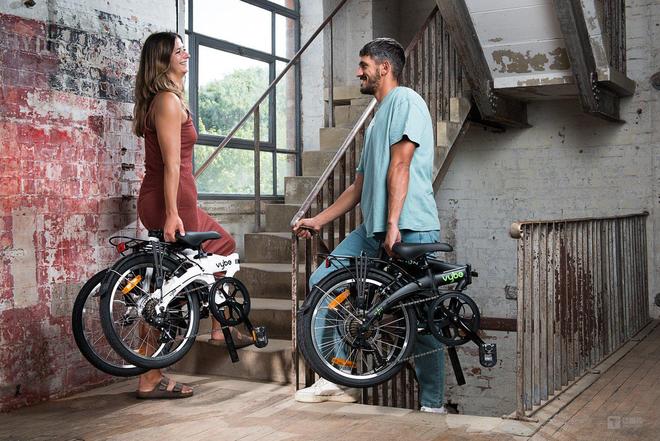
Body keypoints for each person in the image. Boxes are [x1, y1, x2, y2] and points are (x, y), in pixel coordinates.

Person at [293, 38, 447, 413]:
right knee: (323, 281)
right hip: (374, 230)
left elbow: (401, 164)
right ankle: (339, 375)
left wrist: (393, 224)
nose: (358, 72)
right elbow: (358, 187)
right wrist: (318, 220)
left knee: (421, 320)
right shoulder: (376, 117)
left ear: (384, 67)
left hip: (409, 227)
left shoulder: (406, 101)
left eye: (364, 65)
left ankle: (433, 405)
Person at [131, 32, 245, 398]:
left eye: (185, 49)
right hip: (173, 201)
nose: (187, 55)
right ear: (162, 61)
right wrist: (170, 214)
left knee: (220, 247)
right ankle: (151, 375)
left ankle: (218, 325)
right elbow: (171, 165)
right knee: (171, 288)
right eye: (179, 51)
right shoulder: (166, 101)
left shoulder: (169, 99)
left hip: (179, 200)